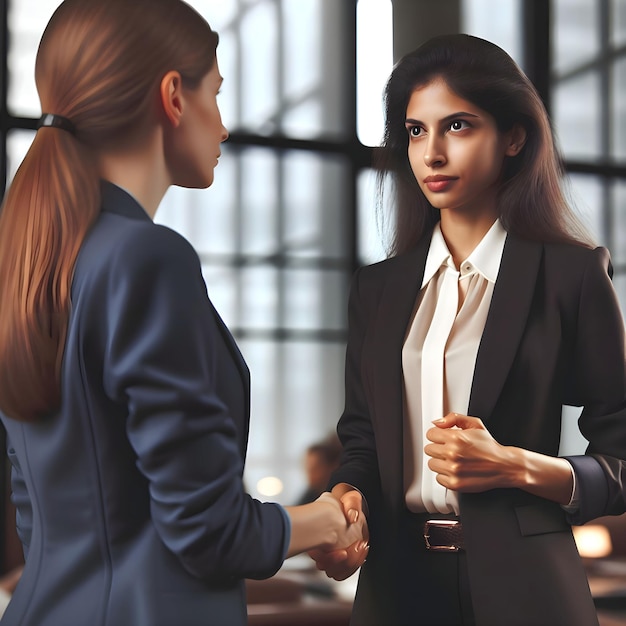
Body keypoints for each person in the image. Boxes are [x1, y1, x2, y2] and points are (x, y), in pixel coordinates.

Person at [0, 1, 365, 625]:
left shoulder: (34, 258)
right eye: (215, 94)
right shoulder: (147, 258)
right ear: (173, 96)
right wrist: (327, 519)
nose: (222, 126)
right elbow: (208, 530)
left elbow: (36, 514)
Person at [310, 34, 626, 626]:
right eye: (415, 131)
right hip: (396, 588)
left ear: (513, 137)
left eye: (457, 126)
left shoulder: (572, 275)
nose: (432, 153)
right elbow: (361, 438)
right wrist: (346, 500)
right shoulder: (376, 290)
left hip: (528, 587)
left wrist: (518, 466)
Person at [296, 433, 343, 505]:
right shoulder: (311, 493)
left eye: (315, 468)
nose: (309, 474)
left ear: (331, 467)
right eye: (307, 468)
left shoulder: (338, 495)